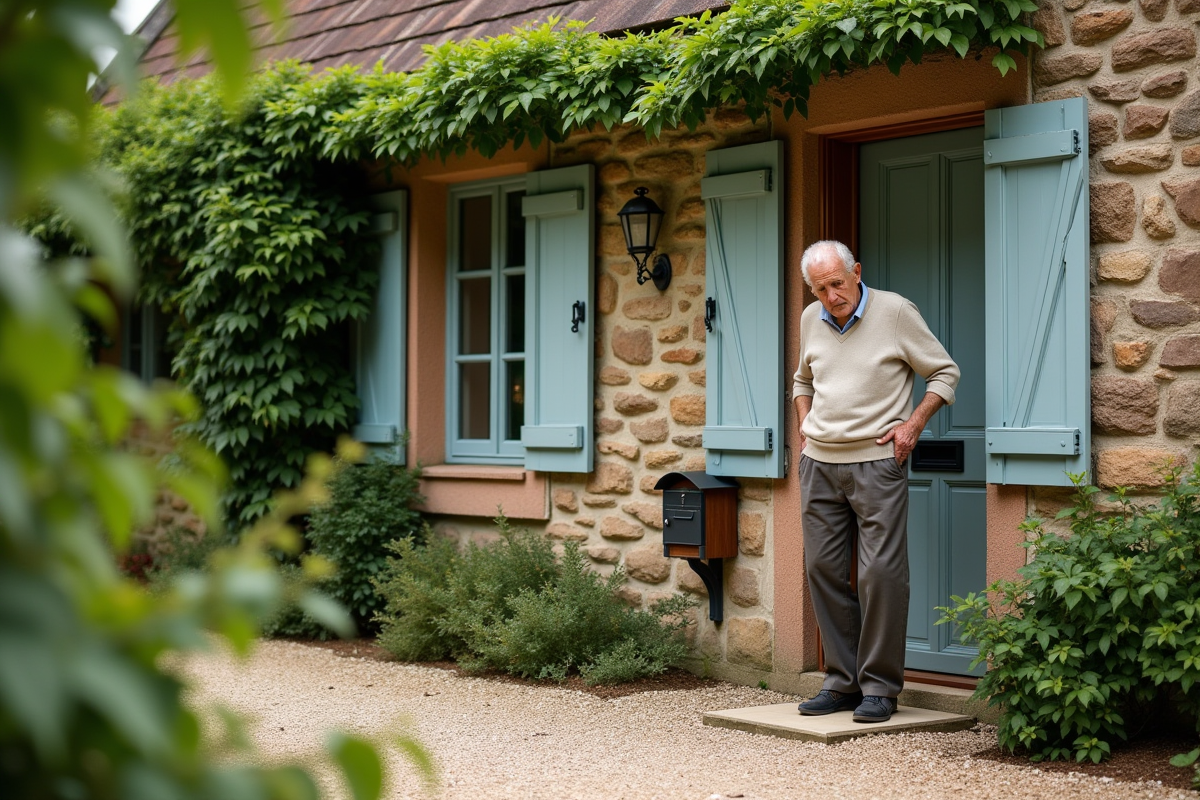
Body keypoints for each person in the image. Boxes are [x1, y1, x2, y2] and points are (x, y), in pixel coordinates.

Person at [791, 240, 960, 723]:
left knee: (880, 574)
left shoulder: (895, 312)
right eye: (820, 289)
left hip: (875, 463)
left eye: (837, 284)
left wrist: (913, 426)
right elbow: (803, 381)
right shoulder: (810, 319)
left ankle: (881, 688)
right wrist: (804, 425)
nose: (830, 296)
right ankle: (842, 683)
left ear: (856, 272)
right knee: (822, 569)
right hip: (819, 463)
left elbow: (945, 372)